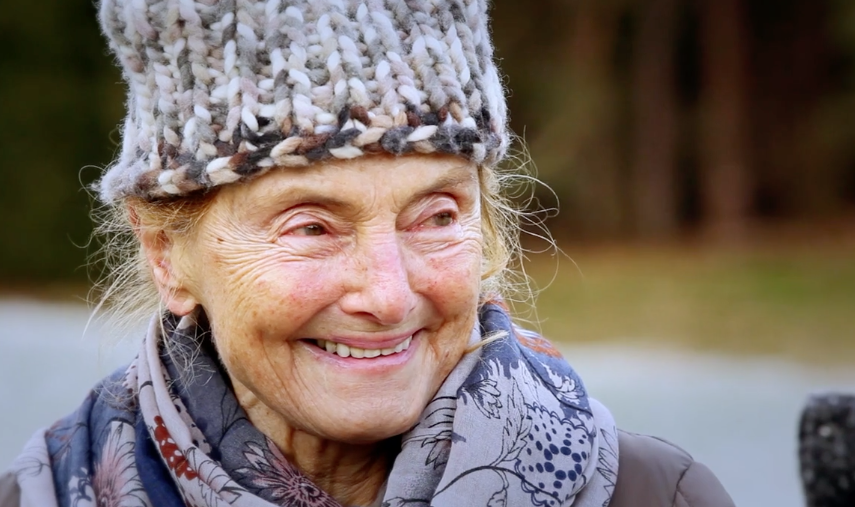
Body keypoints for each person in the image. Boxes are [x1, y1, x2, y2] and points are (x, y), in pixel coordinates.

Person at [0, 1, 735, 506]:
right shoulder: (48, 494)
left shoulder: (649, 493)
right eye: (311, 226)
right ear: (167, 255)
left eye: (435, 215)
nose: (385, 294)